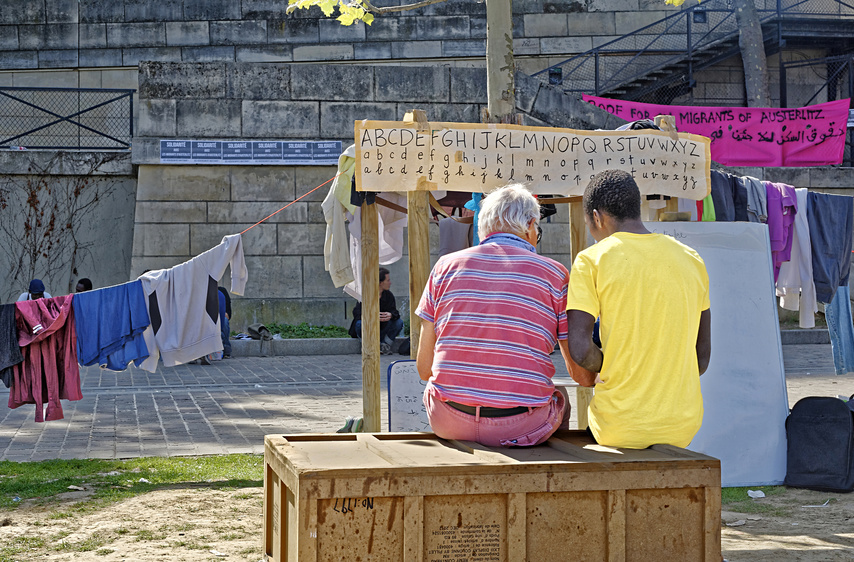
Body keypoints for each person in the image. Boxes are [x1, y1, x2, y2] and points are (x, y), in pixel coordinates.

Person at [415, 184, 586, 447]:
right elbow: (577, 372)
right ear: (530, 226)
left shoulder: (444, 267)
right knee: (560, 396)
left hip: (448, 420)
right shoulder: (556, 273)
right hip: (522, 424)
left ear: (482, 226)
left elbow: (425, 368)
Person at [566, 169, 712, 450]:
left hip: (617, 426)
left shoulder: (591, 260)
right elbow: (701, 359)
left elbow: (581, 351)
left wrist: (615, 367)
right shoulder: (692, 259)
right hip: (683, 425)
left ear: (596, 217)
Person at [348, 267, 403, 355]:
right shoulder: (366, 294)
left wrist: (390, 315)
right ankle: (367, 344)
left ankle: (385, 346)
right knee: (359, 324)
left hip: (383, 328)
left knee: (399, 322)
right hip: (368, 328)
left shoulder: (388, 295)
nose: (390, 283)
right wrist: (371, 316)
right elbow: (357, 313)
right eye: (388, 280)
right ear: (380, 283)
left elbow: (395, 312)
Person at [218, 286, 232, 358]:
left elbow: (228, 314)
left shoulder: (222, 291)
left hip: (220, 317)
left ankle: (226, 347)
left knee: (225, 320)